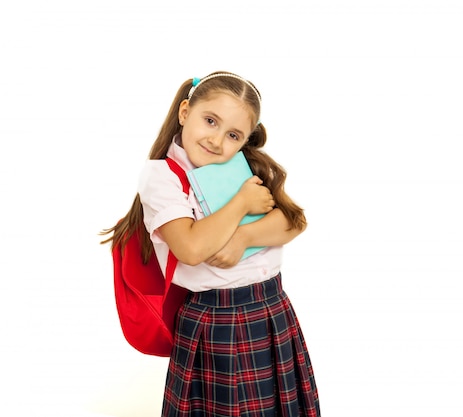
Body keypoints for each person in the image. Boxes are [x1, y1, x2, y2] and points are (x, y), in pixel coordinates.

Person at [101, 71, 320, 417]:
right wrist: (243, 204)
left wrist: (244, 237)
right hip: (217, 321)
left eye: (233, 135)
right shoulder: (162, 177)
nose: (217, 141)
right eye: (210, 121)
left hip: (273, 309)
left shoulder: (241, 166)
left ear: (245, 140)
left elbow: (293, 221)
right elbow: (190, 248)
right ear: (185, 112)